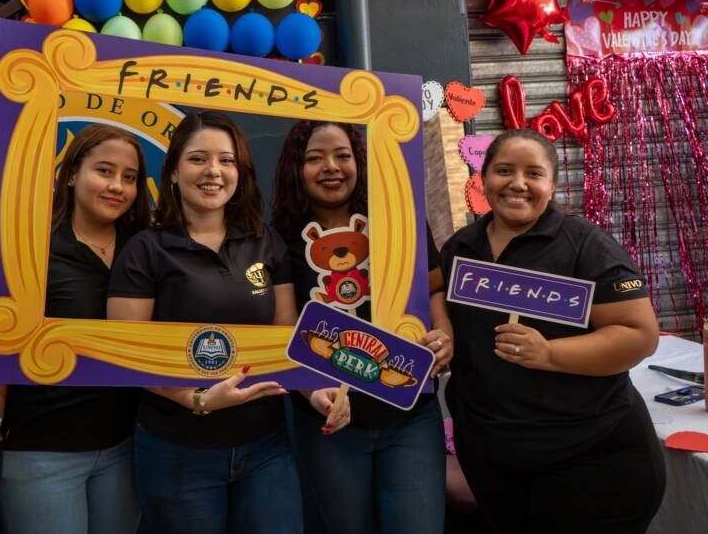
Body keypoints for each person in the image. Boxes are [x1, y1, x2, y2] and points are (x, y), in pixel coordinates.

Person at [106, 110, 349, 534]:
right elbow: (127, 355)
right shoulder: (145, 249)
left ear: (240, 171)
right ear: (174, 172)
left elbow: (286, 334)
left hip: (266, 446)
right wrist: (196, 400)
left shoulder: (265, 241)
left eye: (226, 160)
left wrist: (314, 391)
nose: (213, 171)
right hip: (178, 451)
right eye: (198, 159)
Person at [437, 128, 665, 533]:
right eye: (504, 170)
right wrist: (443, 336)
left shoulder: (586, 245)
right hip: (495, 465)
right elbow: (441, 306)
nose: (517, 183)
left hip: (593, 461)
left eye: (533, 173)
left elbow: (639, 335)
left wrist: (549, 353)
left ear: (552, 185)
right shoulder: (460, 248)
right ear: (483, 178)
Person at [0, 123, 149, 533]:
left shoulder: (145, 249)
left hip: (125, 447)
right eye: (104, 171)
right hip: (42, 452)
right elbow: (1, 349)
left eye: (129, 177)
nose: (117, 186)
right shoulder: (30, 249)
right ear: (73, 173)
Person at [270, 119, 452, 534]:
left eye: (342, 155)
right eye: (315, 158)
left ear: (359, 162)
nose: (331, 167)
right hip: (328, 422)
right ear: (296, 168)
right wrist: (310, 391)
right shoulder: (279, 239)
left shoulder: (398, 221)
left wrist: (446, 332)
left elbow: (434, 289)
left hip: (409, 415)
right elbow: (284, 330)